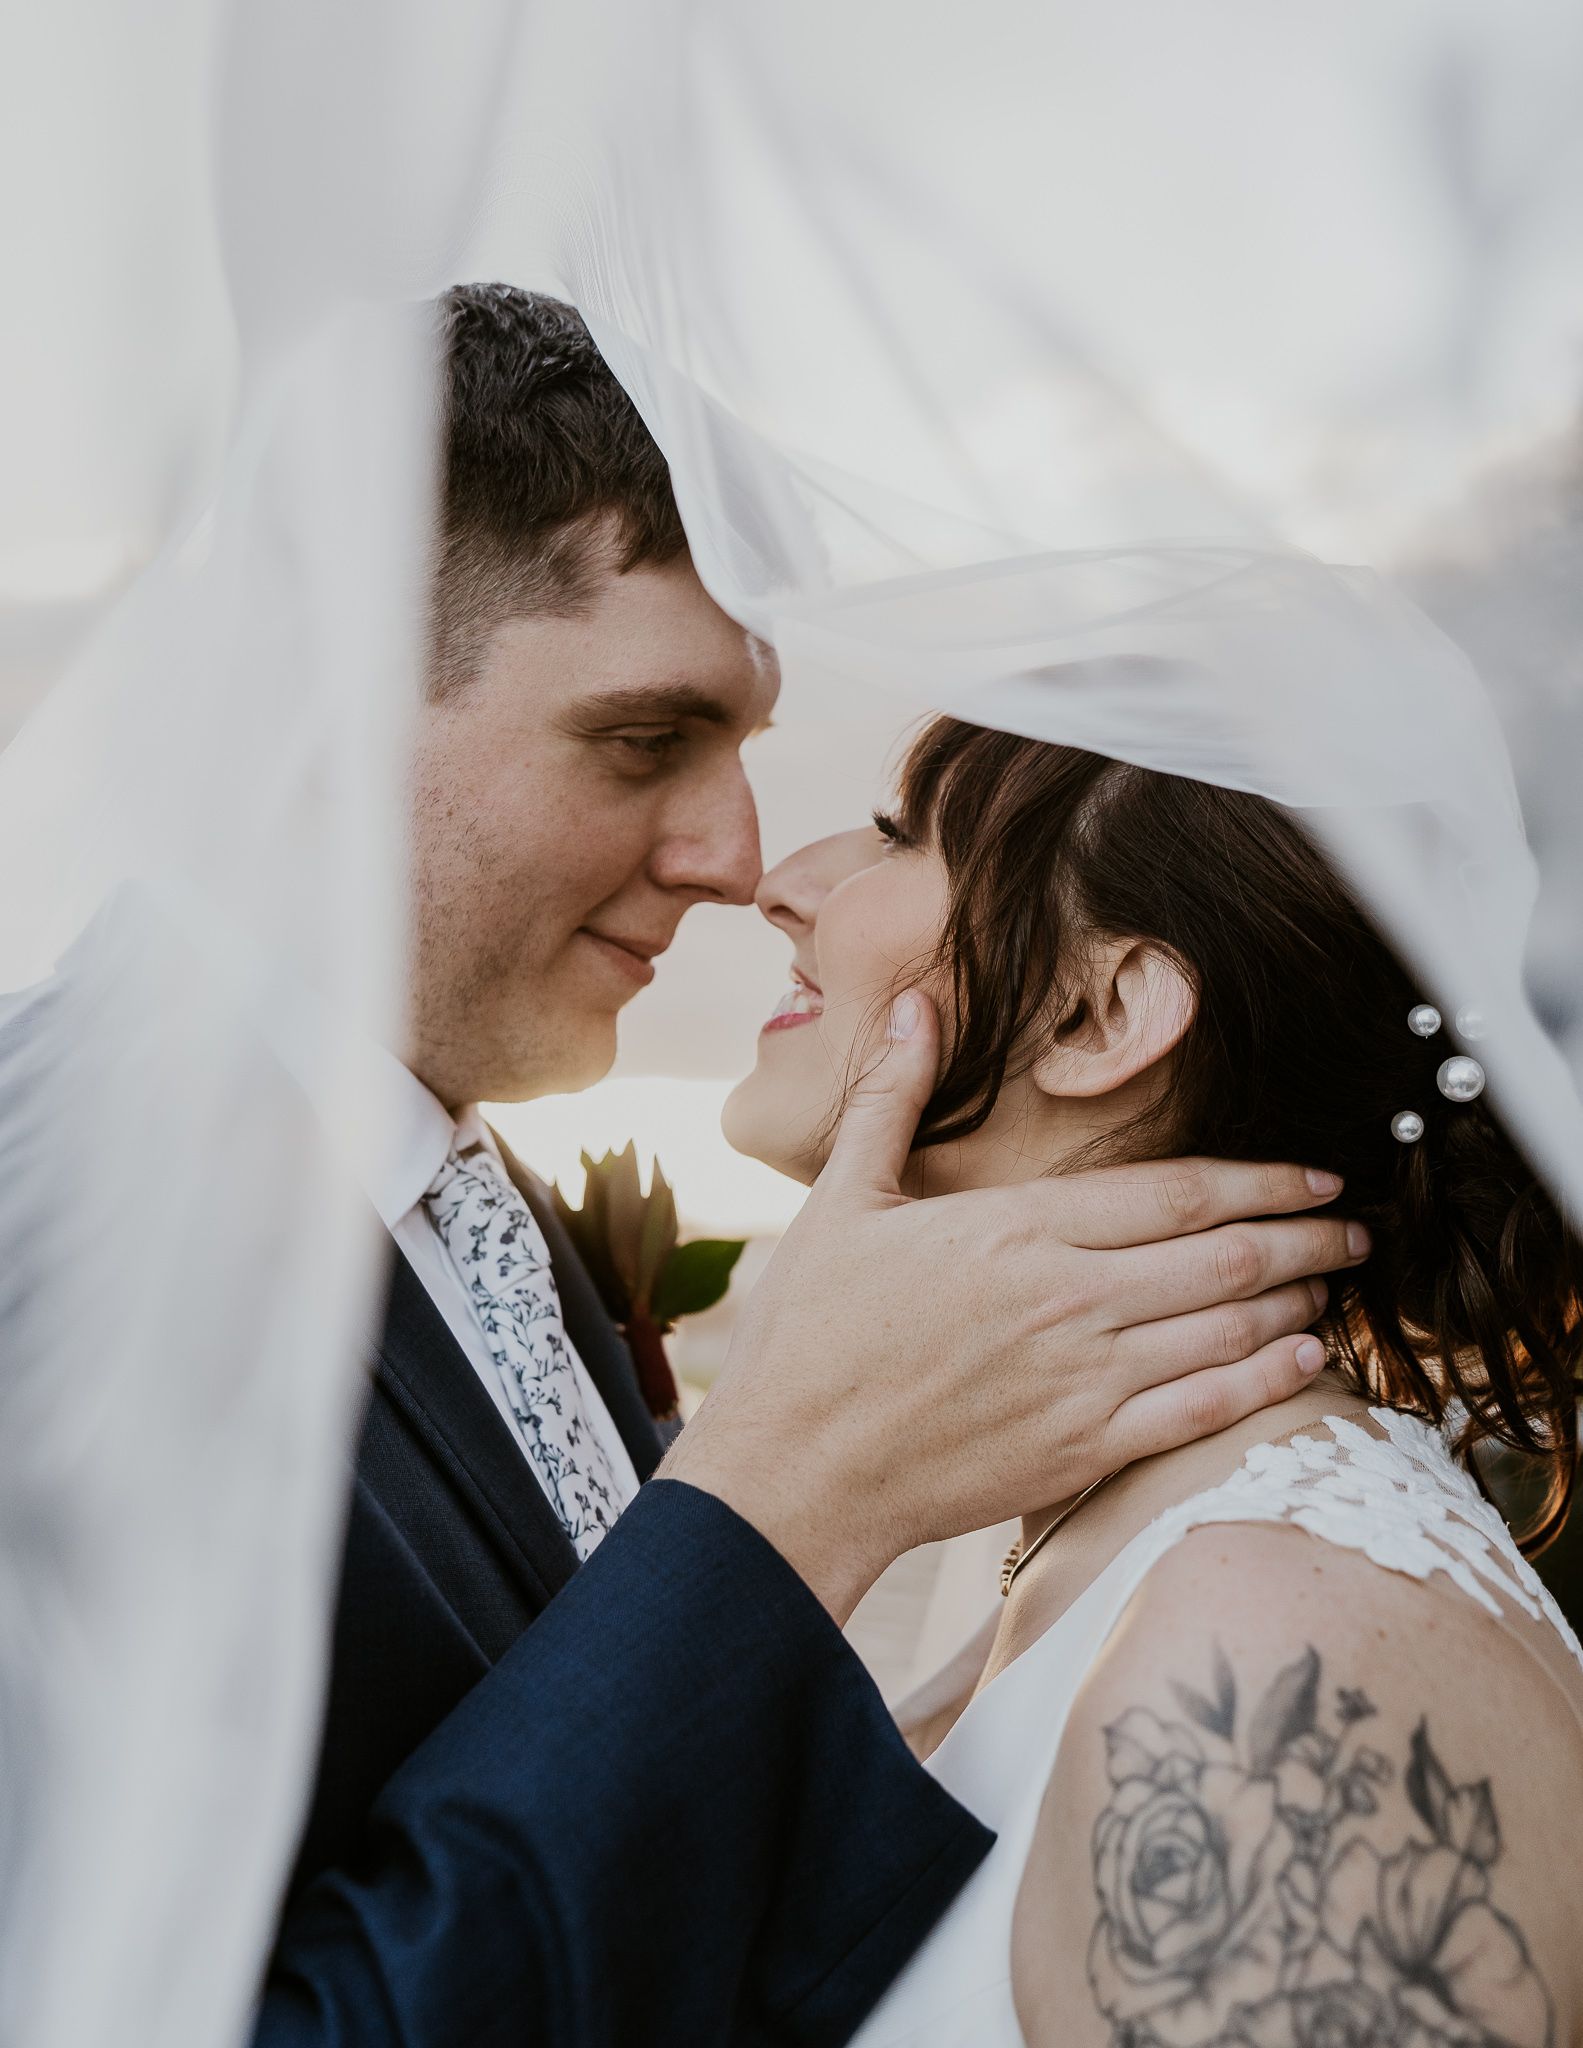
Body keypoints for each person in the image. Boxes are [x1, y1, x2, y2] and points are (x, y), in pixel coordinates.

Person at [251, 289, 1363, 2047]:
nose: (738, 857)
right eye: (641, 741)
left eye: (749, 748)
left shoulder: (492, 1219)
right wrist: (792, 1493)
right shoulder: (54, 1230)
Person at [721, 718, 1583, 2047]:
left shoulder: (1283, 1655)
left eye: (901, 834)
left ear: (1100, 1011)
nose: (784, 878)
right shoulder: (1118, 1551)